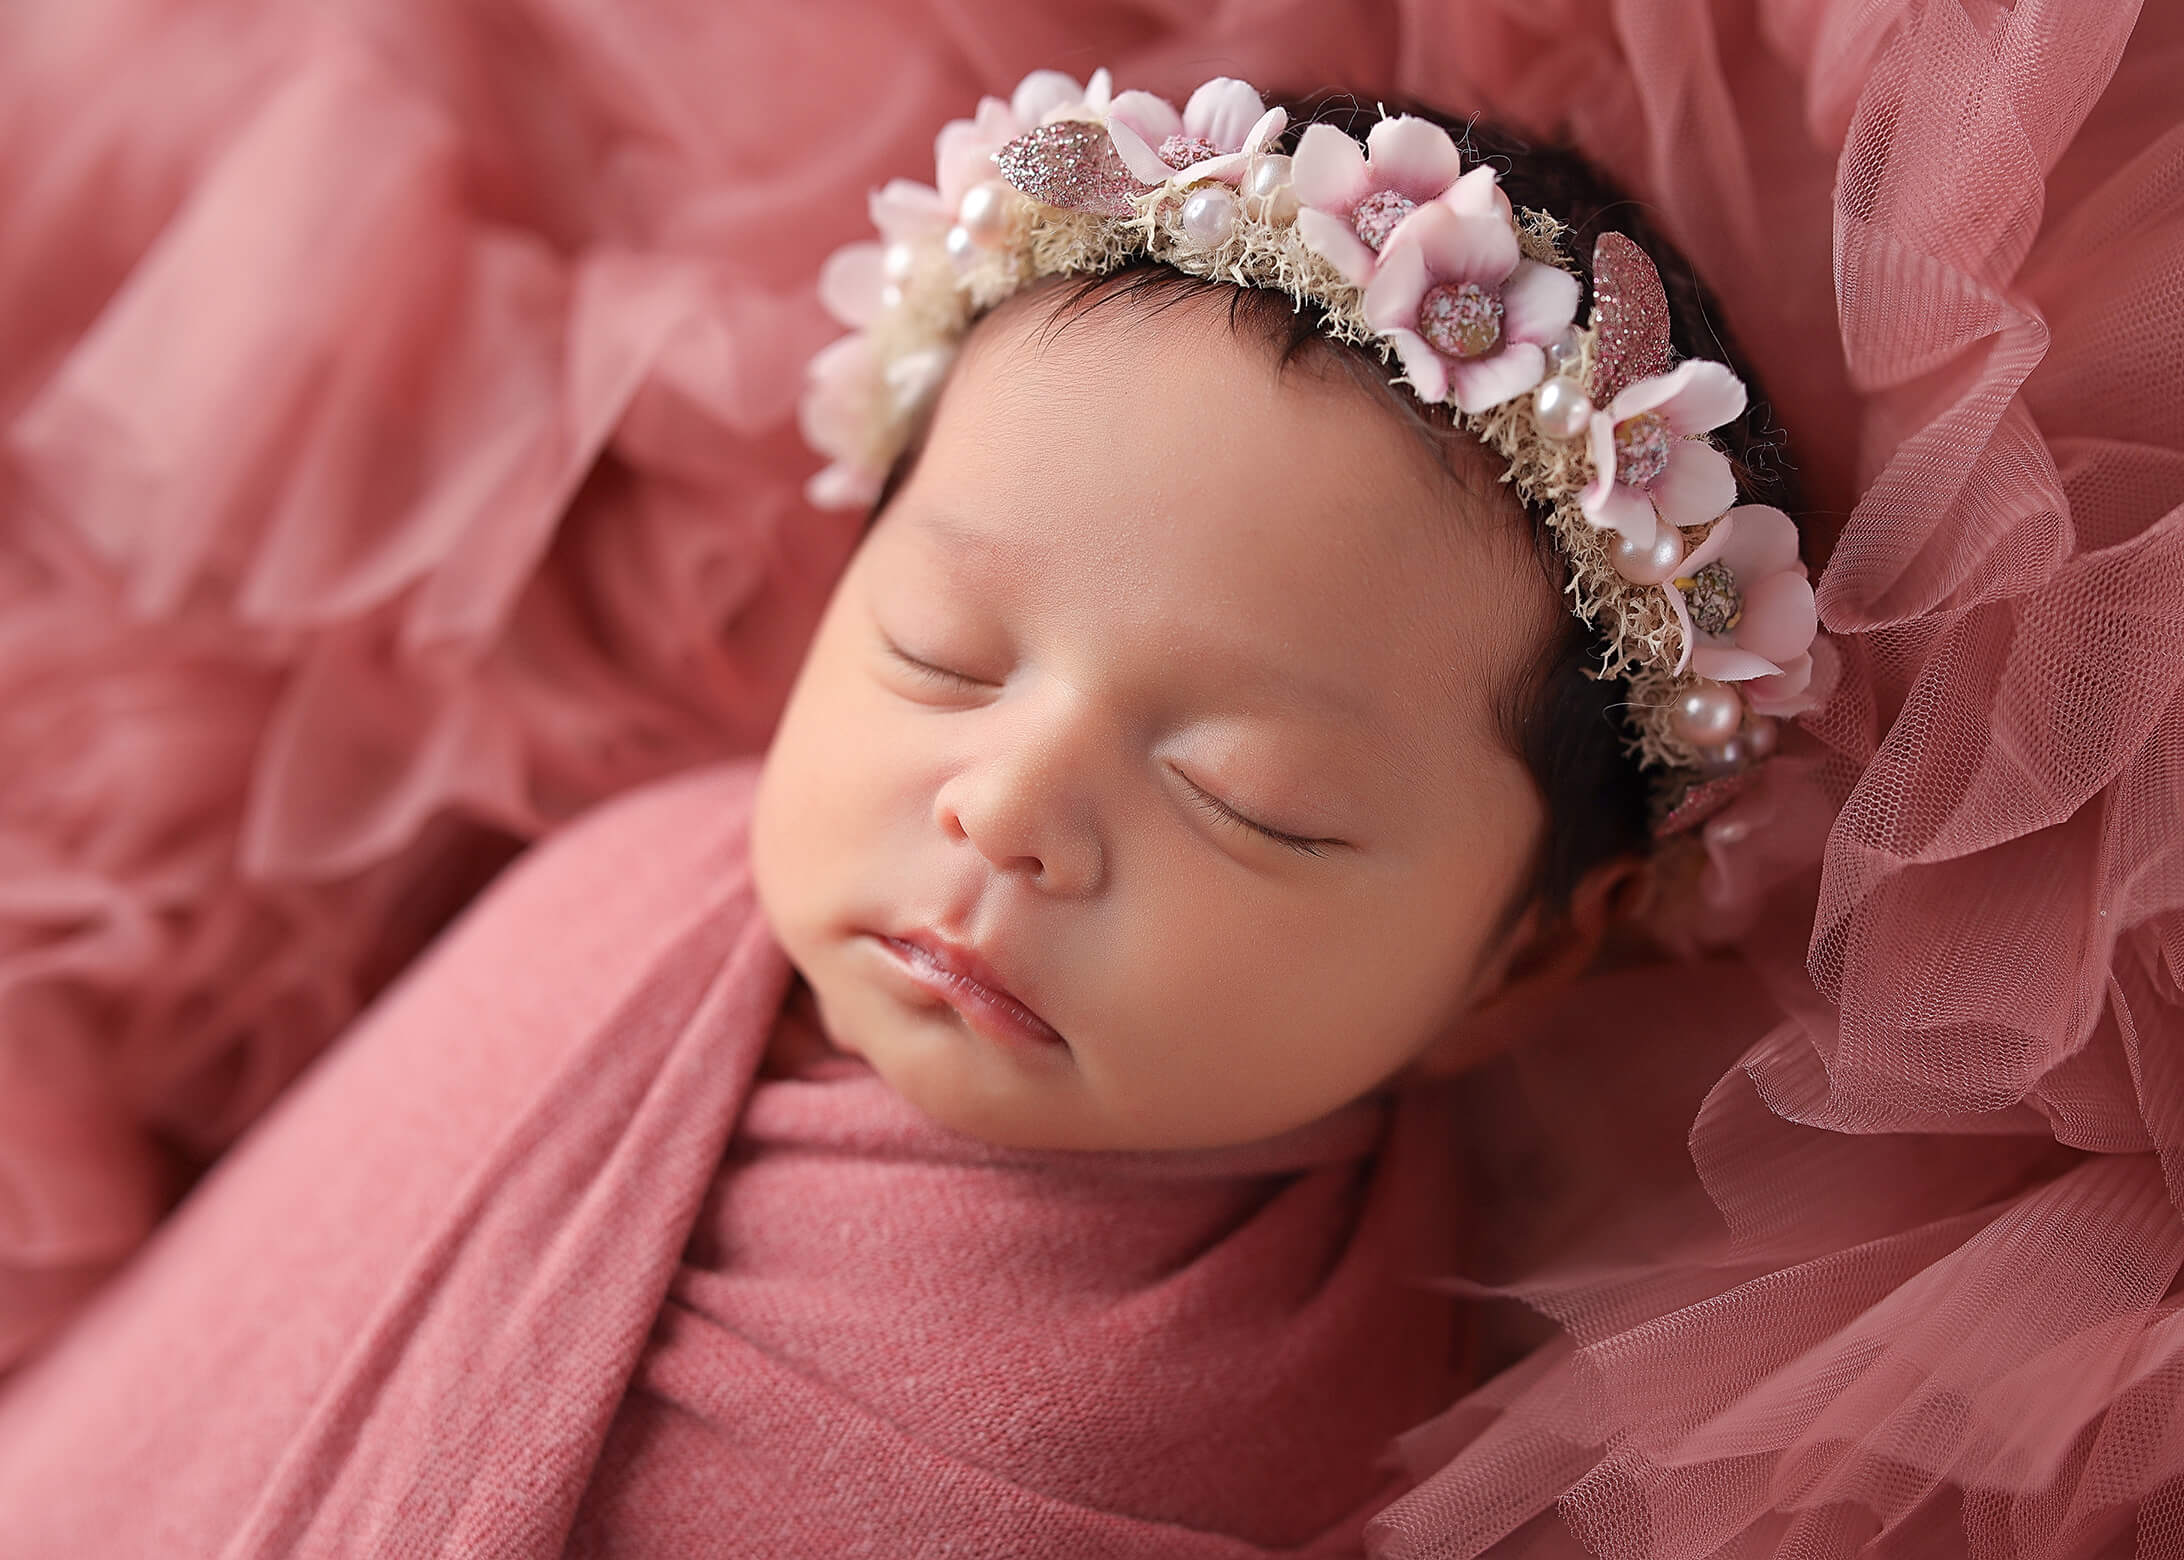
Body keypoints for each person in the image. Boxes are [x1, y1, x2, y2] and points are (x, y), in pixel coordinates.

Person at [0, 74, 1813, 1555]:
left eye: (1243, 801)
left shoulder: (1223, 1421)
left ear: (1526, 955)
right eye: (939, 655)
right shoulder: (623, 889)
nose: (1008, 809)